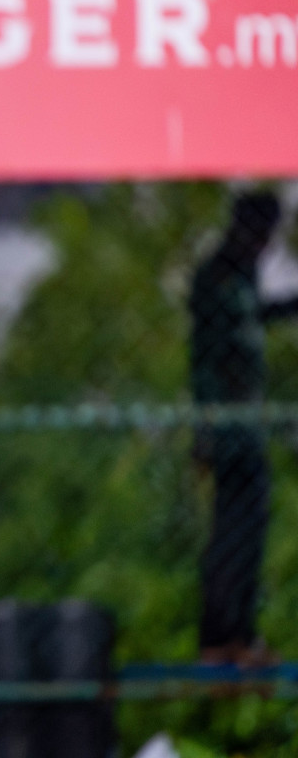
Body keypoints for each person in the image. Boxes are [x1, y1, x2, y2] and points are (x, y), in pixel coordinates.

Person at [189, 190, 298, 666]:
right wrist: (207, 433)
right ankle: (222, 635)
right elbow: (209, 359)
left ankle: (238, 635)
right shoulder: (217, 275)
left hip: (245, 421)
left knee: (248, 529)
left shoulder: (242, 274)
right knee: (232, 532)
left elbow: (253, 316)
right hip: (225, 422)